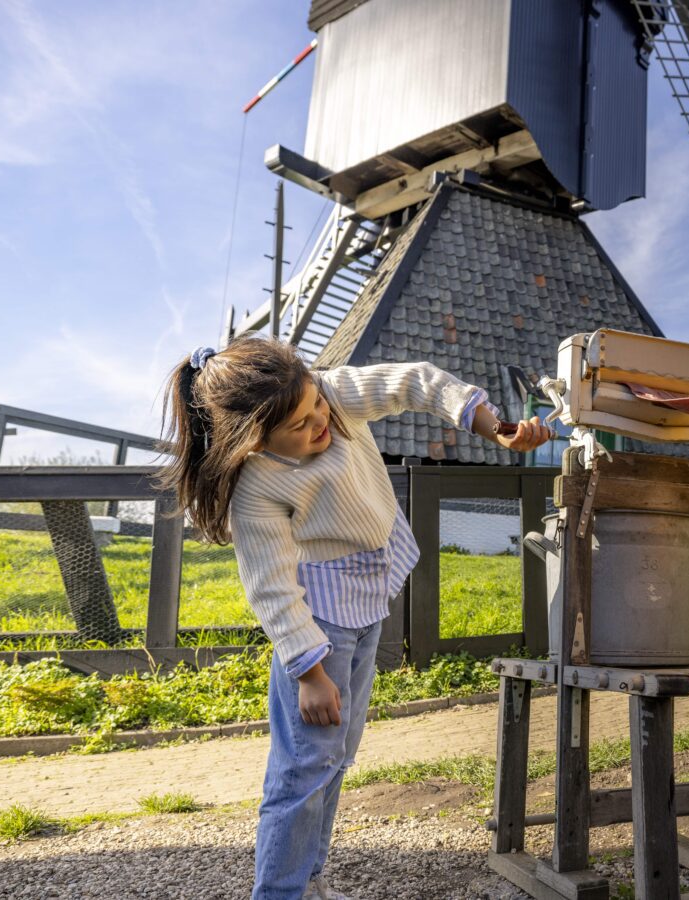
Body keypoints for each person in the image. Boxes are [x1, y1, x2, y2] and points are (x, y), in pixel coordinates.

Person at [155, 337, 552, 900]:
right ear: (255, 440)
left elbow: (417, 381)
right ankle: (279, 894)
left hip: (366, 595)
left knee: (338, 755)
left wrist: (495, 427)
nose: (322, 422)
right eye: (300, 424)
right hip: (320, 621)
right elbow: (272, 588)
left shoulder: (331, 397)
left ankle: (309, 880)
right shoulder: (256, 485)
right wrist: (311, 675)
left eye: (316, 403)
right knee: (304, 765)